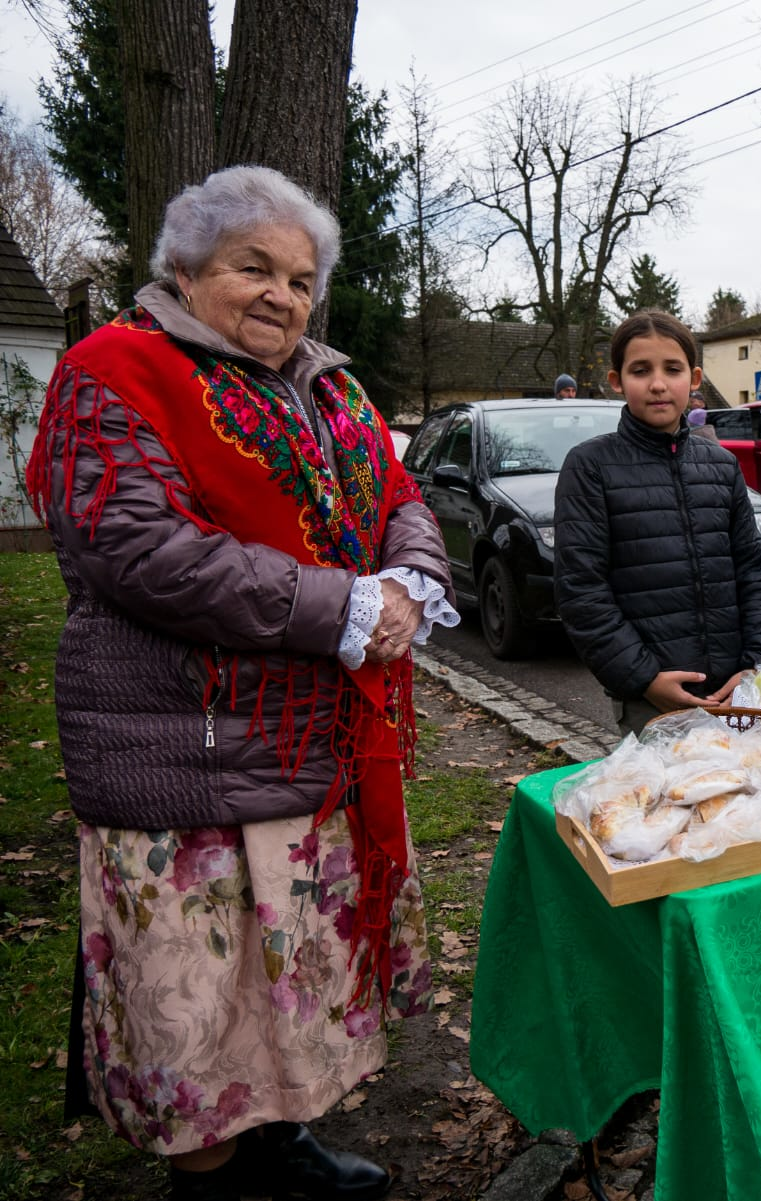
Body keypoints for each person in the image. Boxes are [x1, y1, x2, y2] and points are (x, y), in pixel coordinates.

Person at [25, 165, 459, 1201]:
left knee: (283, 989)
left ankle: (278, 1145)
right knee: (199, 1011)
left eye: (300, 279)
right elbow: (139, 549)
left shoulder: (331, 387)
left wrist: (406, 581)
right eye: (251, 267)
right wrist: (342, 608)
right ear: (183, 268)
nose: (282, 295)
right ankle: (214, 1180)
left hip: (313, 756)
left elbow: (404, 497)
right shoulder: (115, 372)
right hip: (186, 754)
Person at [554, 310, 761, 736]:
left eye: (672, 369)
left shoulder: (721, 465)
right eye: (641, 370)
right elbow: (582, 591)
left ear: (694, 379)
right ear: (617, 381)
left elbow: (753, 573)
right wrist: (643, 679)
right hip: (653, 701)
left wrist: (758, 668)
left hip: (737, 694)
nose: (658, 384)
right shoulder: (591, 467)